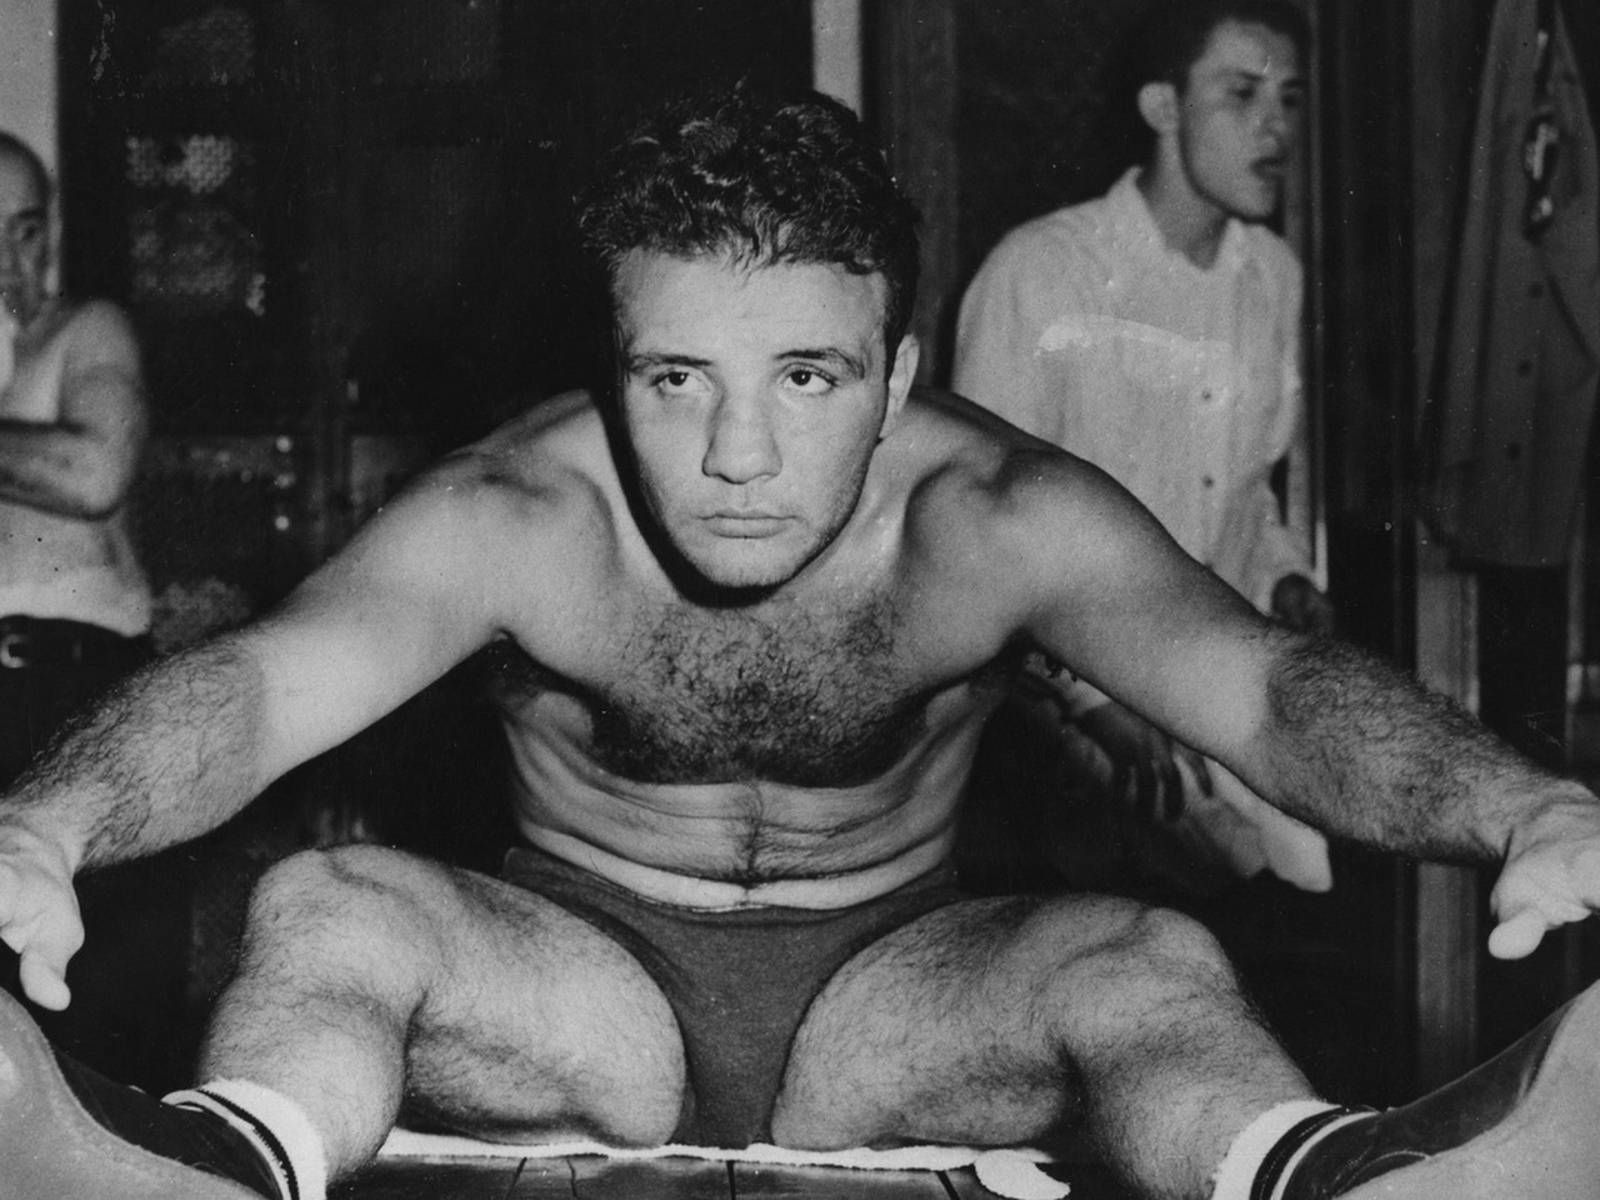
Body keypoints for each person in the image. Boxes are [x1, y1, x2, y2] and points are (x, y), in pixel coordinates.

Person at [0, 85, 1596, 1200]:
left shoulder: (997, 516)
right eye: (677, 379)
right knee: (330, 903)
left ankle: (1337, 1179)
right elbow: (262, 688)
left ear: (897, 378)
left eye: (810, 381)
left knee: (1145, 959)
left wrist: (1518, 805)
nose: (738, 457)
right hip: (578, 994)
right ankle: (213, 1170)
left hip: (891, 1009)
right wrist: (41, 823)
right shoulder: (517, 512)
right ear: (614, 364)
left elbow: (1265, 688)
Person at [953, 1, 1333, 889]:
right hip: (1057, 715)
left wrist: (1280, 574)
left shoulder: (1273, 278)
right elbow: (981, 527)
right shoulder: (1041, 271)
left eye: (1290, 98)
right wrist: (1088, 704)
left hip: (1212, 684)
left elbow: (1243, 491)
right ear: (1162, 107)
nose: (1275, 126)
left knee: (1302, 881)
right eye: (1241, 95)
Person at [0, 131, 184, 1089]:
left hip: (79, 686)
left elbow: (94, 470)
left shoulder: (85, 331)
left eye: (26, 231)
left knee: (102, 1016)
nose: (9, 262)